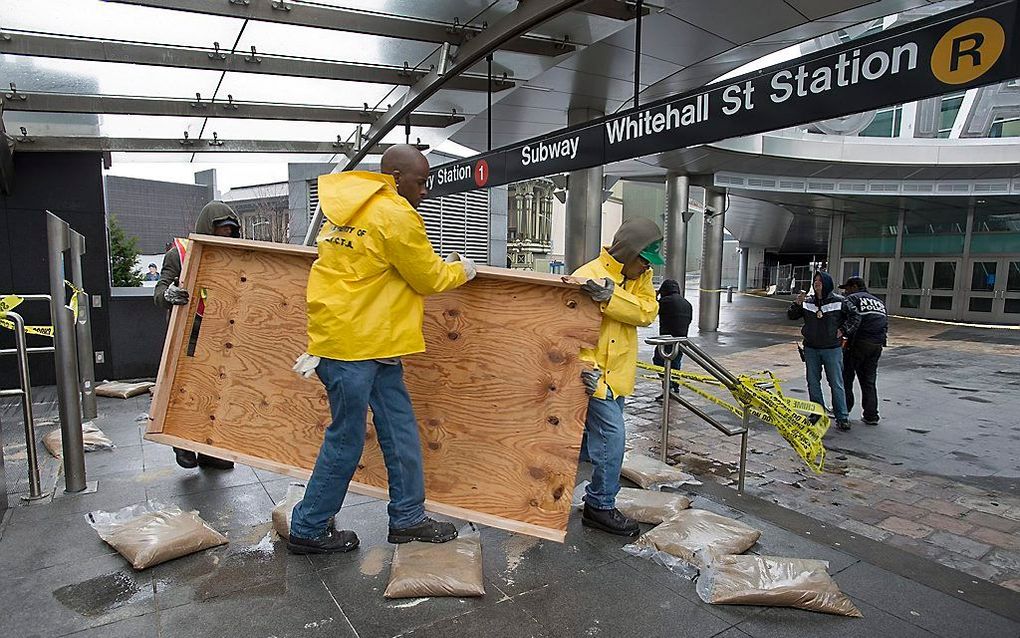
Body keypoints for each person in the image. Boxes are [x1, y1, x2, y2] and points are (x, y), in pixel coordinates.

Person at [287, 145, 476, 555]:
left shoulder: (347, 207)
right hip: (356, 346)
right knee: (347, 438)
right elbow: (427, 277)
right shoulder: (394, 213)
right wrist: (463, 268)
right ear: (394, 176)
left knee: (400, 429)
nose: (425, 191)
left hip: (364, 342)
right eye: (421, 182)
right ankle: (308, 526)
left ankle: (408, 517)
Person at [574, 218, 662, 537]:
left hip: (619, 377)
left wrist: (611, 299)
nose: (646, 268)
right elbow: (570, 328)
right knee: (613, 437)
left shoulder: (642, 276)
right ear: (629, 252)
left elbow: (647, 312)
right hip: (594, 376)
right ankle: (599, 504)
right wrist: (582, 367)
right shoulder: (586, 277)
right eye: (645, 260)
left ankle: (564, 486)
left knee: (589, 441)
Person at [154, 200, 241, 470]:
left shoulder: (234, 256)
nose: (226, 236)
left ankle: (209, 449)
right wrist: (169, 294)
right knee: (184, 391)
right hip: (188, 334)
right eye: (222, 232)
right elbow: (159, 291)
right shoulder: (179, 254)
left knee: (214, 392)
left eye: (230, 232)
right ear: (209, 229)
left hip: (218, 335)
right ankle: (183, 442)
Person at [788, 271, 860, 431]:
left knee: (836, 383)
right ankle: (817, 413)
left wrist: (844, 330)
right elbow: (791, 316)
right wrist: (796, 304)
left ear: (827, 283)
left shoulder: (840, 301)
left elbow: (856, 316)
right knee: (813, 382)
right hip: (811, 348)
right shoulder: (808, 302)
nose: (817, 283)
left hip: (832, 348)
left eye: (820, 280)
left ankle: (842, 416)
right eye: (815, 280)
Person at [838, 276, 888, 425]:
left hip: (858, 342)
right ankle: (871, 415)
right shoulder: (878, 302)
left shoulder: (853, 299)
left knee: (846, 377)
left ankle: (844, 409)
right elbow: (885, 323)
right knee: (869, 380)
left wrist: (843, 334)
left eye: (846, 288)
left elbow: (848, 319)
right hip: (876, 344)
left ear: (853, 287)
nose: (845, 292)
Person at [653, 278, 692, 402]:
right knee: (675, 364)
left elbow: (650, 311)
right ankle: (674, 388)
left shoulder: (665, 301)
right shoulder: (686, 303)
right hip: (682, 339)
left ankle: (668, 387)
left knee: (659, 361)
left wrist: (655, 295)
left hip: (667, 340)